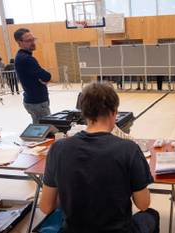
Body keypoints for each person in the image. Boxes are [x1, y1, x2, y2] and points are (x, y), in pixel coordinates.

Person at [39, 82, 159, 233]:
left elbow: (45, 207)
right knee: (151, 215)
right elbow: (143, 204)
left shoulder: (58, 149)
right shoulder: (129, 149)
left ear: (83, 113)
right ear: (114, 112)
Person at [14, 28, 51, 124]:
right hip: (37, 102)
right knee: (46, 131)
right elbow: (46, 76)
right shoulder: (26, 59)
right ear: (19, 42)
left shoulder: (22, 56)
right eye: (28, 41)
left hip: (33, 100)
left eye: (33, 39)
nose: (32, 42)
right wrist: (43, 78)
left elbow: (41, 76)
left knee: (39, 129)